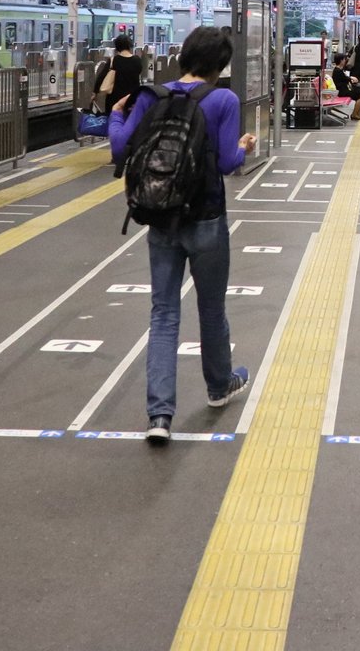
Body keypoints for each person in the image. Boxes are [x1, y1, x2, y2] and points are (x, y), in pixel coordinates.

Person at [109, 26, 256, 445]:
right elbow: (228, 163)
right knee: (211, 309)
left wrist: (119, 114)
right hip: (207, 218)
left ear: (186, 56)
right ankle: (218, 386)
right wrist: (244, 145)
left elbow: (119, 150)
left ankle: (159, 415)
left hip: (160, 217)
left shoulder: (151, 96)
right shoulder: (223, 99)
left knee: (163, 314)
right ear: (219, 65)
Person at [106, 33, 145, 112]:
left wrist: (94, 92)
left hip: (114, 99)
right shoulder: (137, 60)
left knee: (115, 121)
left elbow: (102, 77)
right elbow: (139, 71)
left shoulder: (114, 60)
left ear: (117, 46)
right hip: (132, 98)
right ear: (129, 45)